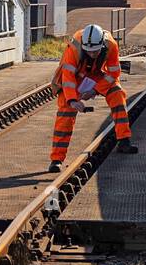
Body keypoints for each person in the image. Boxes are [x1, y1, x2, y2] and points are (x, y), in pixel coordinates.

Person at [48, 23, 135, 172]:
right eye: (89, 52)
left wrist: (95, 90)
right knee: (65, 112)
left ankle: (124, 140)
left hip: (96, 76)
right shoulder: (74, 47)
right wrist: (73, 100)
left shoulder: (111, 45)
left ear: (102, 44)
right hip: (75, 78)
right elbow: (67, 77)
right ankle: (56, 159)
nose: (92, 54)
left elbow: (114, 73)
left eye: (95, 51)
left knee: (117, 94)